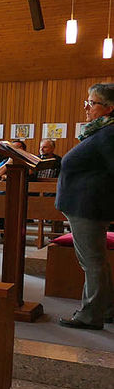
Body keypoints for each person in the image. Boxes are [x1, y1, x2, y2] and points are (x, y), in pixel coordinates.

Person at [56, 83, 114, 330]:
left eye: (92, 103)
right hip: (86, 204)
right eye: (87, 101)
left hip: (89, 206)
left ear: (109, 108)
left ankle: (90, 315)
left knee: (91, 261)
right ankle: (107, 309)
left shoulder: (109, 134)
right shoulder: (101, 131)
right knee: (96, 260)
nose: (87, 107)